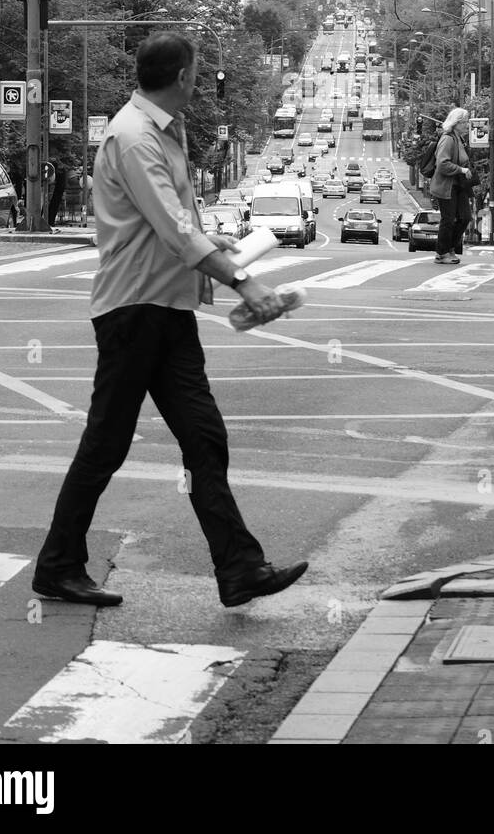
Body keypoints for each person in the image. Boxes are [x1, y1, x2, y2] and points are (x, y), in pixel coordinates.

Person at [32, 33, 308, 610]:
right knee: (106, 445)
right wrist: (243, 281)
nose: (199, 80)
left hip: (167, 311)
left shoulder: (158, 130)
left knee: (205, 440)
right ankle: (58, 566)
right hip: (134, 311)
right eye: (197, 72)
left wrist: (217, 241)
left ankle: (239, 569)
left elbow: (175, 222)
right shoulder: (134, 138)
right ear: (183, 76)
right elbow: (172, 229)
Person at [430, 107, 474, 265]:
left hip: (459, 186)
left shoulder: (459, 139)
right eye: (464, 122)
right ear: (456, 123)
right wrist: (461, 169)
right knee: (448, 219)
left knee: (465, 217)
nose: (467, 125)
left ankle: (449, 248)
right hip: (446, 186)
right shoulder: (448, 139)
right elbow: (442, 164)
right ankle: (442, 252)